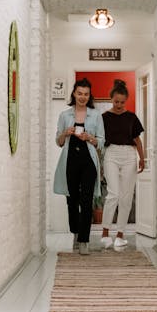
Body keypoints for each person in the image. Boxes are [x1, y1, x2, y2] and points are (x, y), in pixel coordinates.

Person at [53, 78, 105, 255]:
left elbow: (101, 142)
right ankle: (75, 231)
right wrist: (65, 133)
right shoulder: (64, 115)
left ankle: (84, 240)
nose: (82, 97)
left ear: (89, 96)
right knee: (72, 200)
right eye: (79, 93)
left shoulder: (96, 115)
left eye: (86, 94)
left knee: (86, 200)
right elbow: (58, 142)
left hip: (88, 161)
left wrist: (89, 137)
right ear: (74, 94)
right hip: (70, 161)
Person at [99, 79, 145, 250]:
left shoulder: (131, 117)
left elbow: (137, 140)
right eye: (116, 101)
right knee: (113, 194)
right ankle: (105, 232)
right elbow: (100, 141)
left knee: (126, 197)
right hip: (111, 153)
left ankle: (120, 234)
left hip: (129, 155)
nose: (119, 105)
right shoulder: (103, 118)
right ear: (112, 99)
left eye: (122, 102)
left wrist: (142, 158)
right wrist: (99, 162)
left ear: (126, 100)